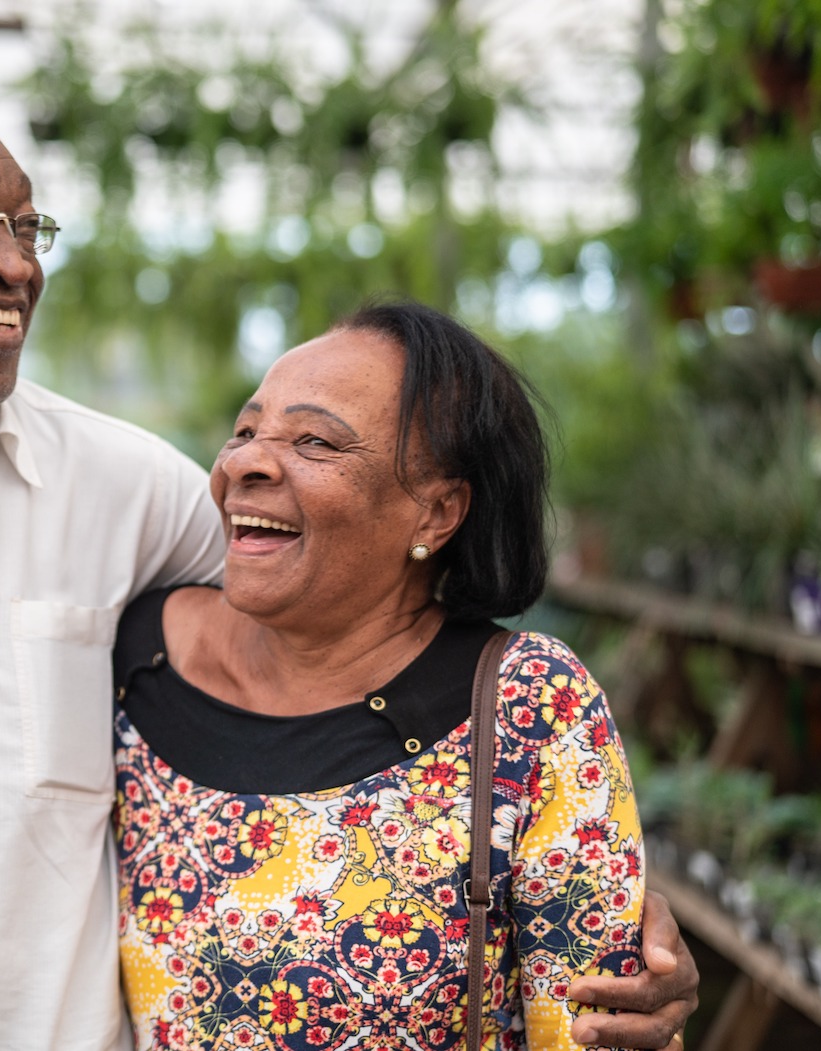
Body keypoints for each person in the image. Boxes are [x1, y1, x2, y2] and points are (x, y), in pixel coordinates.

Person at [0, 79, 696, 1049]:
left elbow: (364, 607)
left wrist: (580, 866)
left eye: (27, 228)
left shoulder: (133, 489)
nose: (12, 264)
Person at [112, 301, 654, 1048]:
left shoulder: (530, 705)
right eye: (245, 430)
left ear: (436, 513)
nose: (243, 462)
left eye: (314, 440)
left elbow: (600, 1026)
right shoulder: (133, 663)